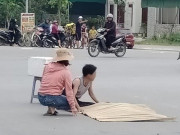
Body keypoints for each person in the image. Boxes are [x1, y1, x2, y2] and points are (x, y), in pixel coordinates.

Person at [38, 48, 78, 116]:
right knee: (71, 102)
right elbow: (69, 91)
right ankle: (52, 107)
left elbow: (42, 80)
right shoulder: (66, 72)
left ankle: (51, 107)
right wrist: (73, 107)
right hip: (52, 98)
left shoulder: (47, 66)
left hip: (40, 96)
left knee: (54, 93)